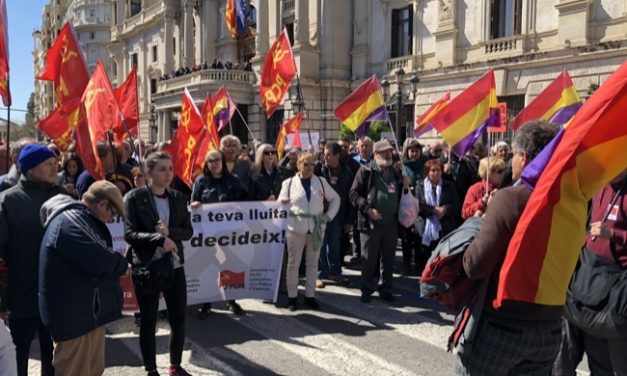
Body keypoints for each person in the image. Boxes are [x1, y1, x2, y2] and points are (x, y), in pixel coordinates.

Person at [457, 120, 560, 375]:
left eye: (513, 154)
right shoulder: (571, 197)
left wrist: (475, 229)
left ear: (524, 158)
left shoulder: (510, 198)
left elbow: (475, 265)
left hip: (503, 326)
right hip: (550, 327)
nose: (510, 161)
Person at [39, 181, 128, 376]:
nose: (111, 219)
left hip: (86, 314)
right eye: (112, 213)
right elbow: (101, 259)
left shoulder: (79, 219)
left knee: (92, 370)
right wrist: (122, 264)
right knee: (75, 371)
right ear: (103, 205)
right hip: (74, 319)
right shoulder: (71, 221)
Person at [124, 151, 194, 376]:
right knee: (148, 321)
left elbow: (188, 231)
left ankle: (175, 365)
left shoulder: (178, 197)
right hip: (147, 267)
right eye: (162, 169)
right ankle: (151, 370)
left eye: (170, 169)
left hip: (174, 267)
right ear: (149, 172)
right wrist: (157, 238)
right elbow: (129, 234)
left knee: (178, 319)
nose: (168, 174)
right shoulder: (134, 198)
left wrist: (170, 233)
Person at [552, 170, 627, 376]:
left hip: (613, 293)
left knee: (606, 362)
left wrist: (613, 234)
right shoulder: (599, 185)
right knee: (563, 356)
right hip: (583, 280)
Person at [0, 143, 64, 376]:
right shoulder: (8, 202)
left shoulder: (62, 197)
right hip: (20, 296)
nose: (54, 167)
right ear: (30, 168)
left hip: (56, 296)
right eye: (48, 163)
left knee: (54, 356)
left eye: (55, 163)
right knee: (18, 355)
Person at [350, 139, 410, 303]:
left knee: (389, 258)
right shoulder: (366, 171)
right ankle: (367, 289)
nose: (388, 154)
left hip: (390, 222)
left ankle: (386, 289)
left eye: (390, 151)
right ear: (376, 154)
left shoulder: (396, 172)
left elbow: (402, 195)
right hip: (371, 223)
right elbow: (353, 195)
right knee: (369, 258)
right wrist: (369, 209)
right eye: (384, 152)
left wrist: (405, 185)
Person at [279, 152, 340, 311]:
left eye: (312, 164)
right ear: (298, 165)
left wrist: (328, 216)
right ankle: (292, 297)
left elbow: (335, 199)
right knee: (293, 264)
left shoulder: (321, 182)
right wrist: (283, 203)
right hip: (295, 229)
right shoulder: (289, 183)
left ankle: (310, 296)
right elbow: (280, 203)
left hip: (316, 229)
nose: (310, 167)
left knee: (313, 264)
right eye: (306, 164)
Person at [191, 150, 247, 318]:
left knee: (230, 266)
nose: (214, 163)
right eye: (210, 161)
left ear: (222, 162)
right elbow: (194, 199)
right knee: (208, 267)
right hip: (207, 234)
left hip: (229, 233)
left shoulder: (233, 181)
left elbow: (246, 201)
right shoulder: (201, 181)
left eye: (216, 160)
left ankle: (231, 300)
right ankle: (207, 303)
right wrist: (194, 204)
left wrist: (239, 207)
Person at [314, 142, 354, 286]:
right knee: (320, 244)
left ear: (337, 155)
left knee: (334, 244)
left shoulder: (347, 172)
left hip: (338, 214)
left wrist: (349, 220)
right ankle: (319, 274)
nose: (326, 158)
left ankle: (335, 272)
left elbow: (350, 197)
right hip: (320, 213)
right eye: (324, 155)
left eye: (329, 155)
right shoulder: (319, 169)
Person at [416, 159, 460, 274]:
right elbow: (417, 205)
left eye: (438, 170)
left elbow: (456, 205)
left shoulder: (449, 185)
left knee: (442, 257)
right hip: (426, 226)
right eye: (433, 171)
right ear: (427, 172)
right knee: (425, 257)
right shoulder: (420, 186)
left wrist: (445, 209)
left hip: (444, 227)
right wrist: (433, 210)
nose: (436, 173)